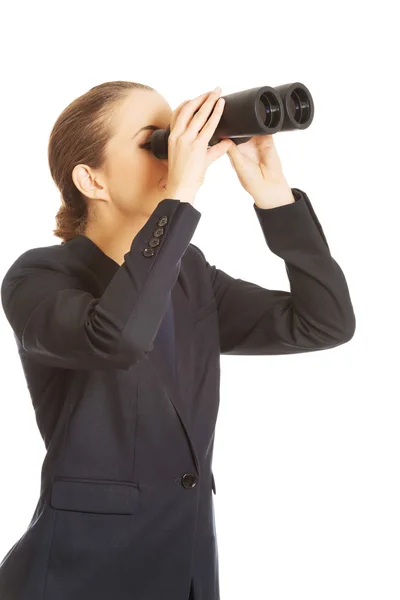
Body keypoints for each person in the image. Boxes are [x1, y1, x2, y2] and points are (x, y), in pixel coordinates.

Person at [0, 81, 355, 600]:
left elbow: (324, 322)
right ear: (91, 179)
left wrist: (275, 200)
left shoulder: (189, 276)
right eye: (156, 142)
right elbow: (115, 339)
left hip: (185, 569)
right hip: (79, 575)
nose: (181, 153)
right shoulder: (37, 278)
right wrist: (180, 196)